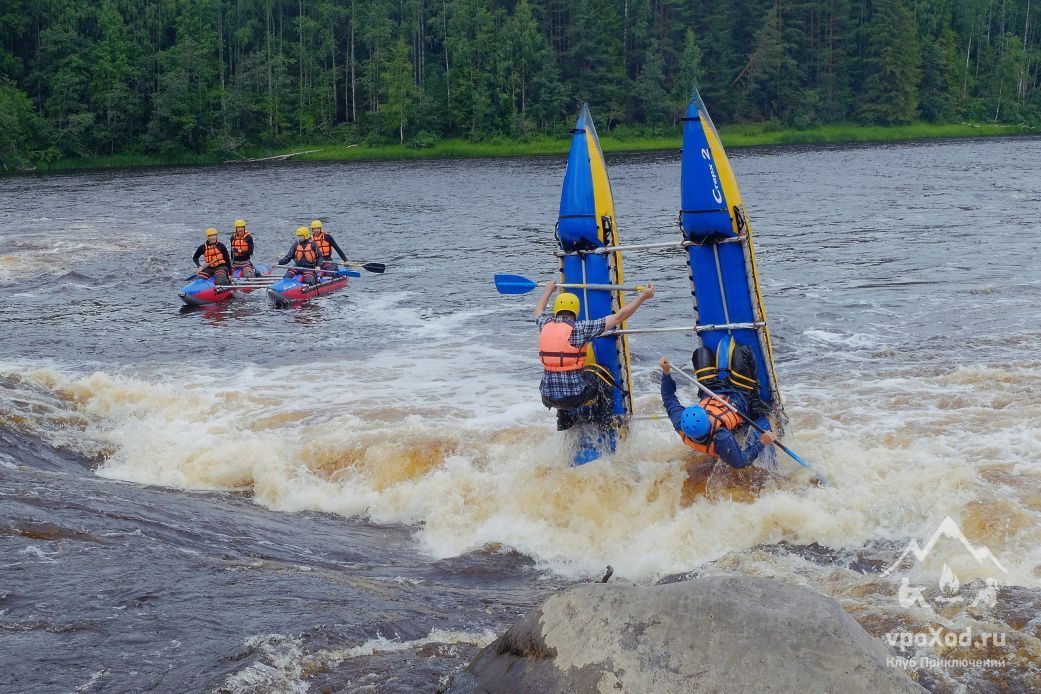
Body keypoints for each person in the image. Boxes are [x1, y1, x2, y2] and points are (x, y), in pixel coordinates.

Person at [535, 280, 655, 431]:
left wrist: (548, 291)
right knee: (601, 374)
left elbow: (538, 311)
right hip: (575, 397)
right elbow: (619, 317)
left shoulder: (544, 324)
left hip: (547, 398)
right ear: (576, 311)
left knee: (562, 380)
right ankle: (606, 423)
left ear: (556, 309)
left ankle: (564, 422)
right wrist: (643, 297)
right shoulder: (579, 328)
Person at [659, 345, 775, 469]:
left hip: (710, 390)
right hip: (738, 395)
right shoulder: (721, 438)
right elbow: (741, 461)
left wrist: (666, 372)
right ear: (708, 423)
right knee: (742, 351)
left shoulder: (680, 423)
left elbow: (668, 397)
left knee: (700, 353)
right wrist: (762, 442)